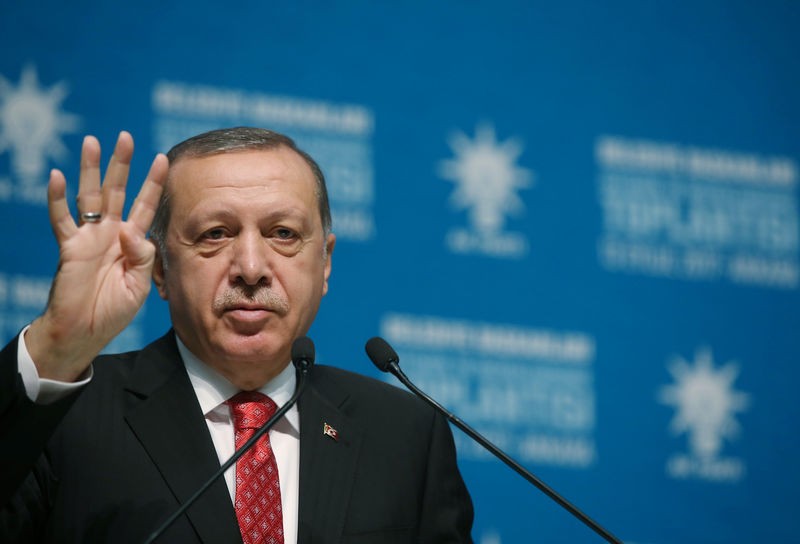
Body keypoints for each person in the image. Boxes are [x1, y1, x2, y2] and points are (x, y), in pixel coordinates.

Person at [0, 127, 474, 543]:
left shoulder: (405, 434)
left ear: (325, 262)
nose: (251, 268)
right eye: (215, 233)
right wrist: (55, 347)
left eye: (284, 233)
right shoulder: (61, 415)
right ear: (161, 268)